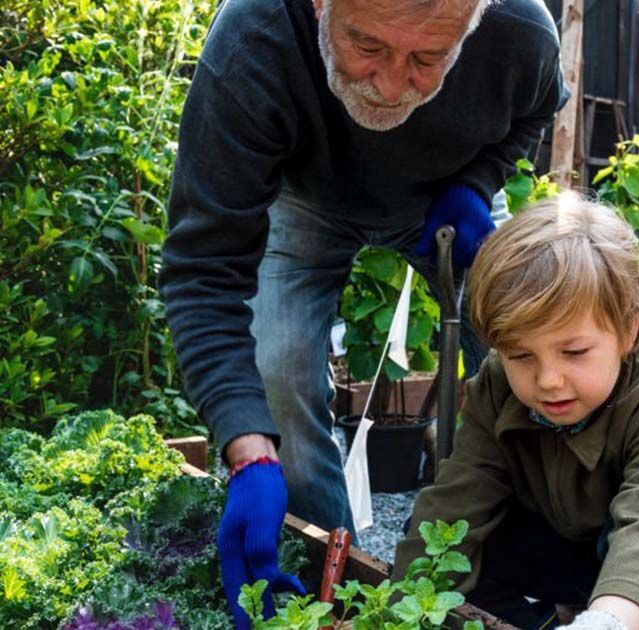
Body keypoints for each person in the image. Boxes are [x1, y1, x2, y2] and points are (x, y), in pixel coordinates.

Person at [158, 0, 566, 624]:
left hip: (445, 199)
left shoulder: (521, 30)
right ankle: (334, 588)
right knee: (279, 375)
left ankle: (549, 551)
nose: (390, 83)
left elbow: (534, 111)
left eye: (428, 59)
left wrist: (477, 183)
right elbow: (204, 268)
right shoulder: (253, 41)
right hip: (304, 201)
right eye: (368, 46)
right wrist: (248, 444)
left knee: (544, 336)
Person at [392, 193, 639, 630]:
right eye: (521, 356)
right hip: (584, 547)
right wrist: (401, 608)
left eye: (573, 352)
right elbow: (458, 498)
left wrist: (607, 622)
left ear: (628, 330)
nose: (548, 380)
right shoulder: (497, 390)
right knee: (446, 540)